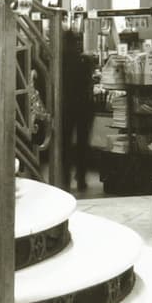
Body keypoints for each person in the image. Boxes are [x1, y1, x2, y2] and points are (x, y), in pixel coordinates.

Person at [61, 11, 96, 193]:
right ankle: (81, 177)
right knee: (83, 143)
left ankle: (65, 177)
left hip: (65, 107)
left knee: (65, 143)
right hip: (83, 107)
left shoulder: (59, 63)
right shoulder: (84, 61)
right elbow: (89, 83)